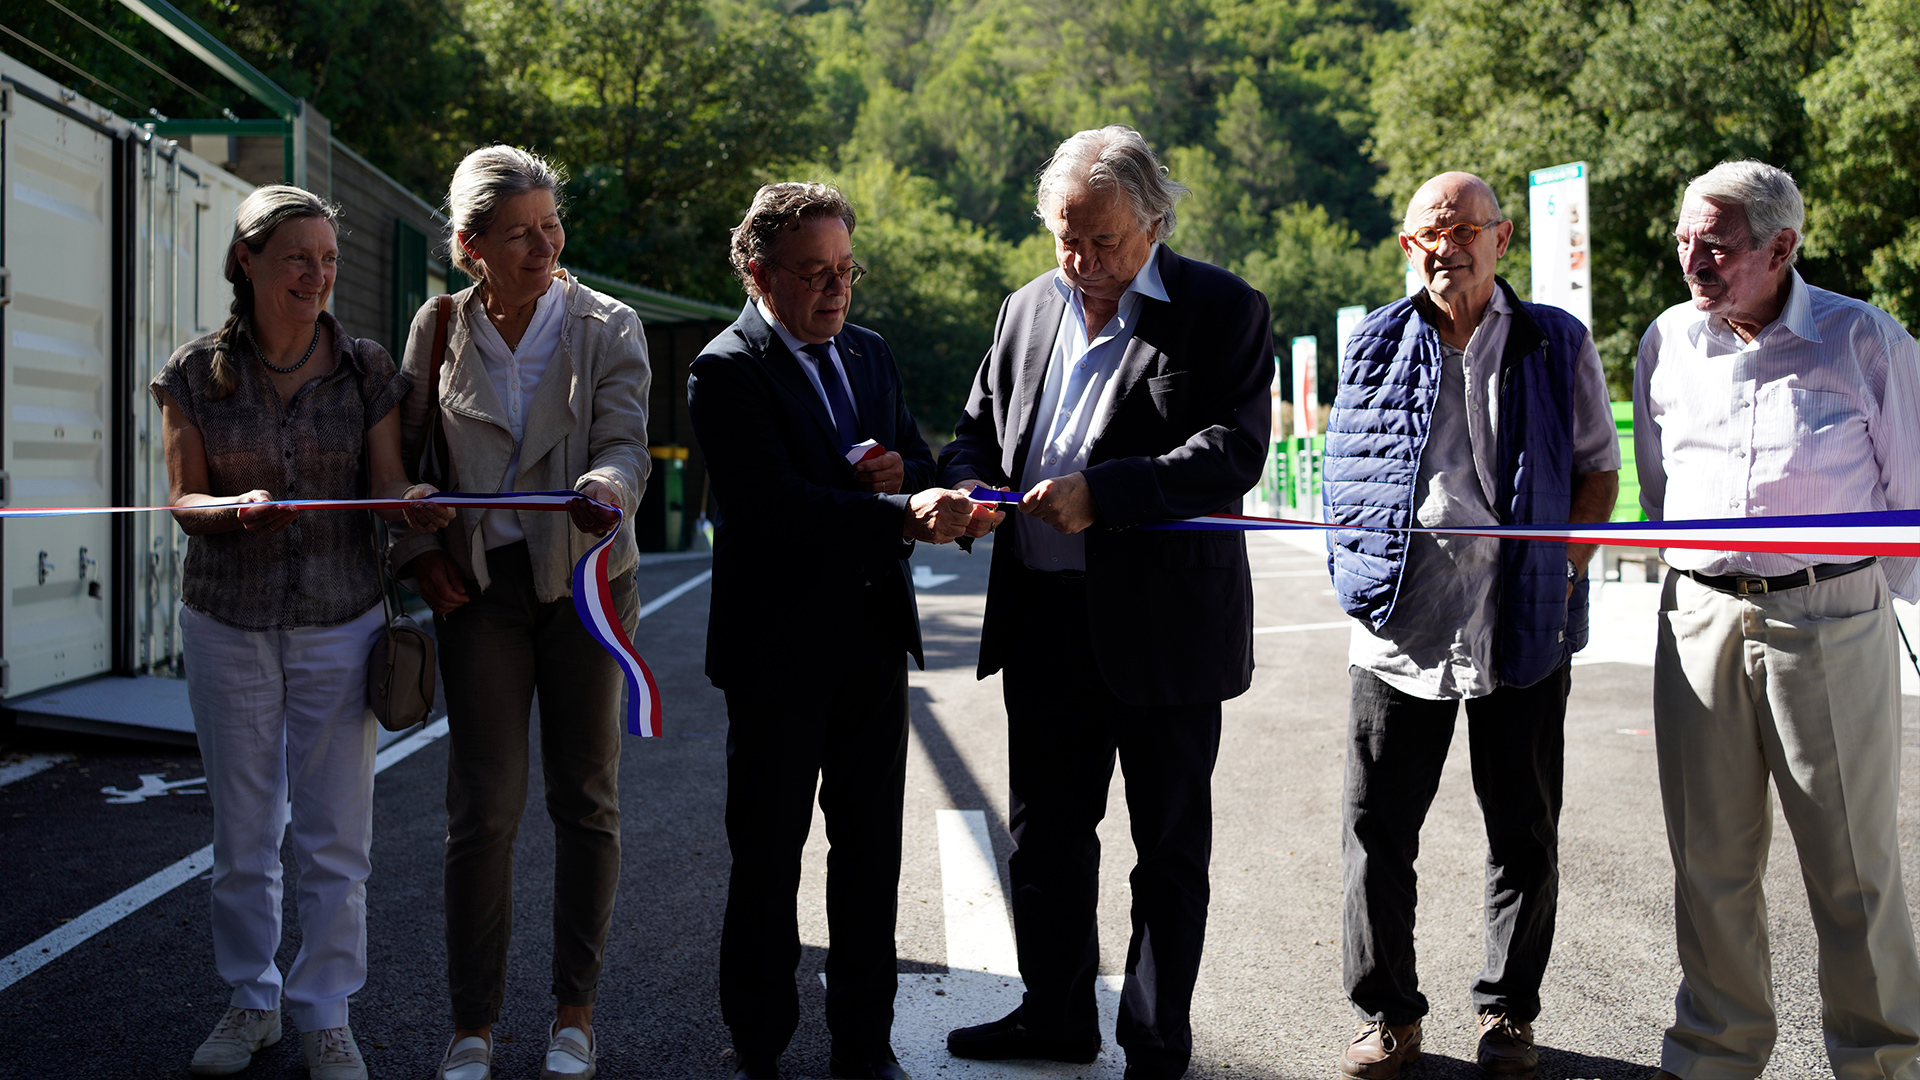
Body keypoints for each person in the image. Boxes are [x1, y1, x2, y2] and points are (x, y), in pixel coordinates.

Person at [936, 125, 1273, 1080]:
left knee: (1166, 847)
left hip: (1163, 629)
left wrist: (1105, 491)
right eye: (1064, 239)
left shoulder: (1222, 309)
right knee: (1044, 838)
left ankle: (1157, 1040)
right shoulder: (1026, 309)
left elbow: (1230, 451)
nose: (1081, 263)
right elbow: (975, 433)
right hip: (1043, 614)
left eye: (1102, 243)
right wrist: (966, 489)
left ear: (1156, 223)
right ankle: (1054, 1015)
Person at [1321, 171, 1619, 1080]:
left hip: (1519, 622)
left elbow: (1598, 474)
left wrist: (1553, 571)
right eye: (1426, 235)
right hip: (1400, 628)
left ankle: (1508, 1014)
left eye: (1463, 229)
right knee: (1377, 833)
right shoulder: (1373, 340)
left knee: (1523, 830)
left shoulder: (1553, 342)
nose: (1445, 246)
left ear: (1501, 239)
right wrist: (1358, 572)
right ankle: (1388, 1016)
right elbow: (1345, 481)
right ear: (1408, 248)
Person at [687, 181, 987, 1080]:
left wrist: (916, 477)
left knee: (869, 861)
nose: (835, 289)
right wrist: (898, 514)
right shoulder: (725, 369)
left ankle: (863, 1042)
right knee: (769, 860)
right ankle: (761, 1044)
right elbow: (773, 506)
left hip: (869, 643)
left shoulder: (869, 352)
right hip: (777, 653)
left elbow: (920, 458)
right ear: (758, 273)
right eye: (814, 272)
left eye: (846, 270)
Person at [155, 185, 451, 1080]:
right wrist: (229, 509)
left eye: (327, 260)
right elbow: (183, 499)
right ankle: (252, 1002)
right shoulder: (191, 372)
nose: (317, 276)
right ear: (246, 259)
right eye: (298, 258)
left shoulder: (365, 369)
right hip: (226, 622)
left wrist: (416, 506)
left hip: (340, 621)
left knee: (335, 839)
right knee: (244, 836)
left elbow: (389, 481)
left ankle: (325, 1011)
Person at [1635, 160, 1920, 1080]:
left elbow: (1916, 498)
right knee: (1708, 863)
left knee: (1852, 869)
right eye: (1683, 240)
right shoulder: (1668, 342)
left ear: (1781, 247)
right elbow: (1656, 486)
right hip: (1700, 616)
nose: (1692, 261)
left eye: (1714, 245)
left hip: (1827, 618)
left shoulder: (1865, 342)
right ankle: (1715, 1054)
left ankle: (1881, 1059)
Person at [389, 145, 649, 1080]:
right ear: (470, 247)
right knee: (483, 811)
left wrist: (604, 486)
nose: (544, 245)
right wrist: (418, 546)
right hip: (480, 596)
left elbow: (625, 441)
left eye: (552, 226)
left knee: (587, 802)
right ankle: (473, 1024)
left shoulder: (607, 324)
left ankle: (574, 1015)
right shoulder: (436, 328)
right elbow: (408, 462)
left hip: (585, 584)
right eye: (520, 234)